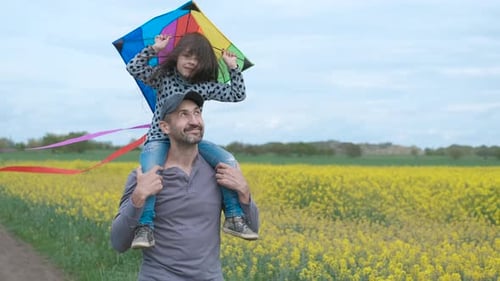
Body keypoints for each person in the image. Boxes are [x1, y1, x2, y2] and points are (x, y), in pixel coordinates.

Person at [126, 32, 258, 249]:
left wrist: (232, 67)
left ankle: (234, 218)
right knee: (150, 170)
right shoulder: (163, 77)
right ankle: (145, 227)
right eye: (187, 56)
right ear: (177, 56)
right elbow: (134, 68)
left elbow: (237, 94)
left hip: (190, 140)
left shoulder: (204, 85)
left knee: (227, 160)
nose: (191, 62)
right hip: (160, 138)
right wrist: (155, 49)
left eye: (197, 60)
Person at [110, 91, 260, 280]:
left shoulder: (220, 172)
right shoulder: (144, 177)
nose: (194, 121)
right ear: (165, 127)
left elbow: (252, 228)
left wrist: (245, 193)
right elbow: (118, 243)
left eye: (197, 113)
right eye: (183, 114)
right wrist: (138, 198)